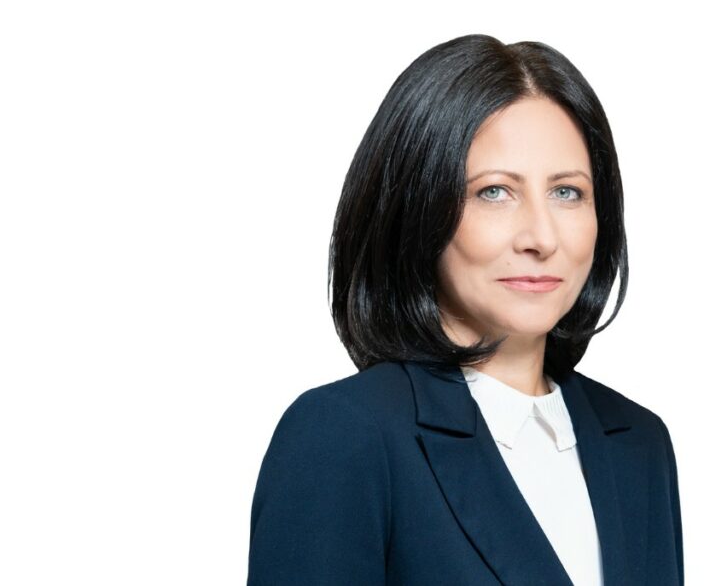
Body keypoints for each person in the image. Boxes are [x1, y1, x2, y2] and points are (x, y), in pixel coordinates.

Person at [247, 33, 684, 586]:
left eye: (567, 192)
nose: (541, 237)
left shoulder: (639, 441)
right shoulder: (345, 435)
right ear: (416, 209)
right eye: (494, 192)